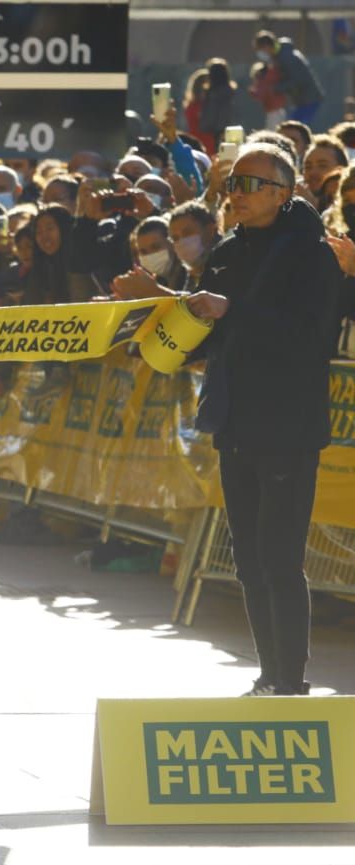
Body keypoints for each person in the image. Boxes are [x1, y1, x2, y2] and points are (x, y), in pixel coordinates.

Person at [184, 144, 342, 696]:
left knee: (279, 557)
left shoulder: (311, 253)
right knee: (248, 561)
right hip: (235, 417)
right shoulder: (227, 249)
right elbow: (206, 328)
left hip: (287, 423)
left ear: (284, 192)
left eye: (250, 185)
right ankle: (268, 676)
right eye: (231, 184)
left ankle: (290, 681)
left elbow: (312, 337)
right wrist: (156, 323)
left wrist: (233, 311)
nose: (236, 196)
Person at [256, 30, 323, 126]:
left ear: (267, 46)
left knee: (296, 128)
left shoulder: (286, 56)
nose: (261, 53)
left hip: (308, 99)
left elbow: (297, 80)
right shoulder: (279, 56)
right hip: (301, 100)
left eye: (260, 49)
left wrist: (276, 88)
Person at [196, 60, 236, 154]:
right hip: (229, 131)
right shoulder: (231, 92)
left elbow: (211, 115)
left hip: (214, 133)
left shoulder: (214, 94)